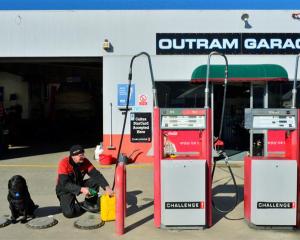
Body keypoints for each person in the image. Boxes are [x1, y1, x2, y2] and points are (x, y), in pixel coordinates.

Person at [56, 144, 113, 218]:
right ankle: (65, 202)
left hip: (78, 184)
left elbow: (96, 174)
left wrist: (107, 187)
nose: (82, 157)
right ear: (73, 156)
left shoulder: (85, 161)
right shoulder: (64, 163)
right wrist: (81, 189)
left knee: (95, 181)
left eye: (83, 154)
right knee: (69, 213)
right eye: (80, 155)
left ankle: (89, 203)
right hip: (65, 189)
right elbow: (65, 183)